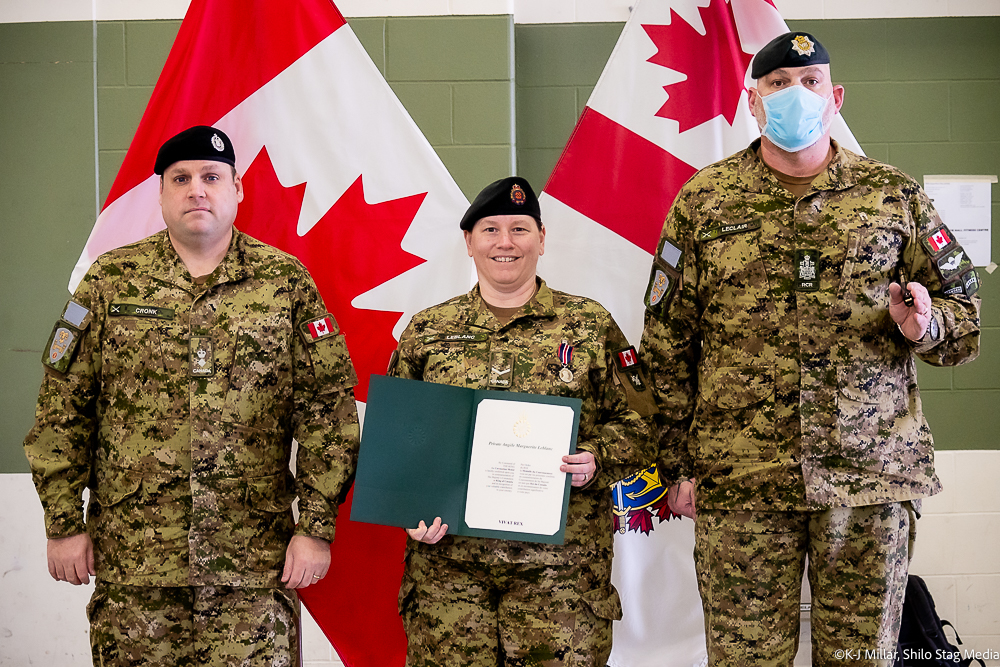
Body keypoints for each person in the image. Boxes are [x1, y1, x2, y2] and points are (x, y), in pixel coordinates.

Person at [639, 32, 981, 667]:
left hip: (868, 479)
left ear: (835, 96)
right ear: (753, 101)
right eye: (776, 84)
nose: (794, 95)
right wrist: (674, 465)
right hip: (739, 482)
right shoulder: (705, 201)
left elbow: (964, 327)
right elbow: (666, 343)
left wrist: (920, 328)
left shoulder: (893, 195)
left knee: (859, 660)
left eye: (810, 82)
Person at [23, 125, 360, 666]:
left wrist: (315, 529)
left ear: (237, 188)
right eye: (180, 178)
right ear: (160, 193)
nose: (196, 190)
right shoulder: (112, 281)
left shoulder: (285, 281)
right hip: (136, 565)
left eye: (211, 176)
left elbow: (327, 413)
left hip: (251, 566)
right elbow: (63, 408)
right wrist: (63, 525)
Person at [388, 176, 655, 666]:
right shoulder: (427, 331)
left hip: (563, 578)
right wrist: (412, 513)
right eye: (490, 230)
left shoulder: (590, 325)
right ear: (468, 242)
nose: (505, 243)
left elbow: (642, 422)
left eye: (519, 228)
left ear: (542, 238)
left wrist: (598, 458)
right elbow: (400, 443)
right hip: (449, 578)